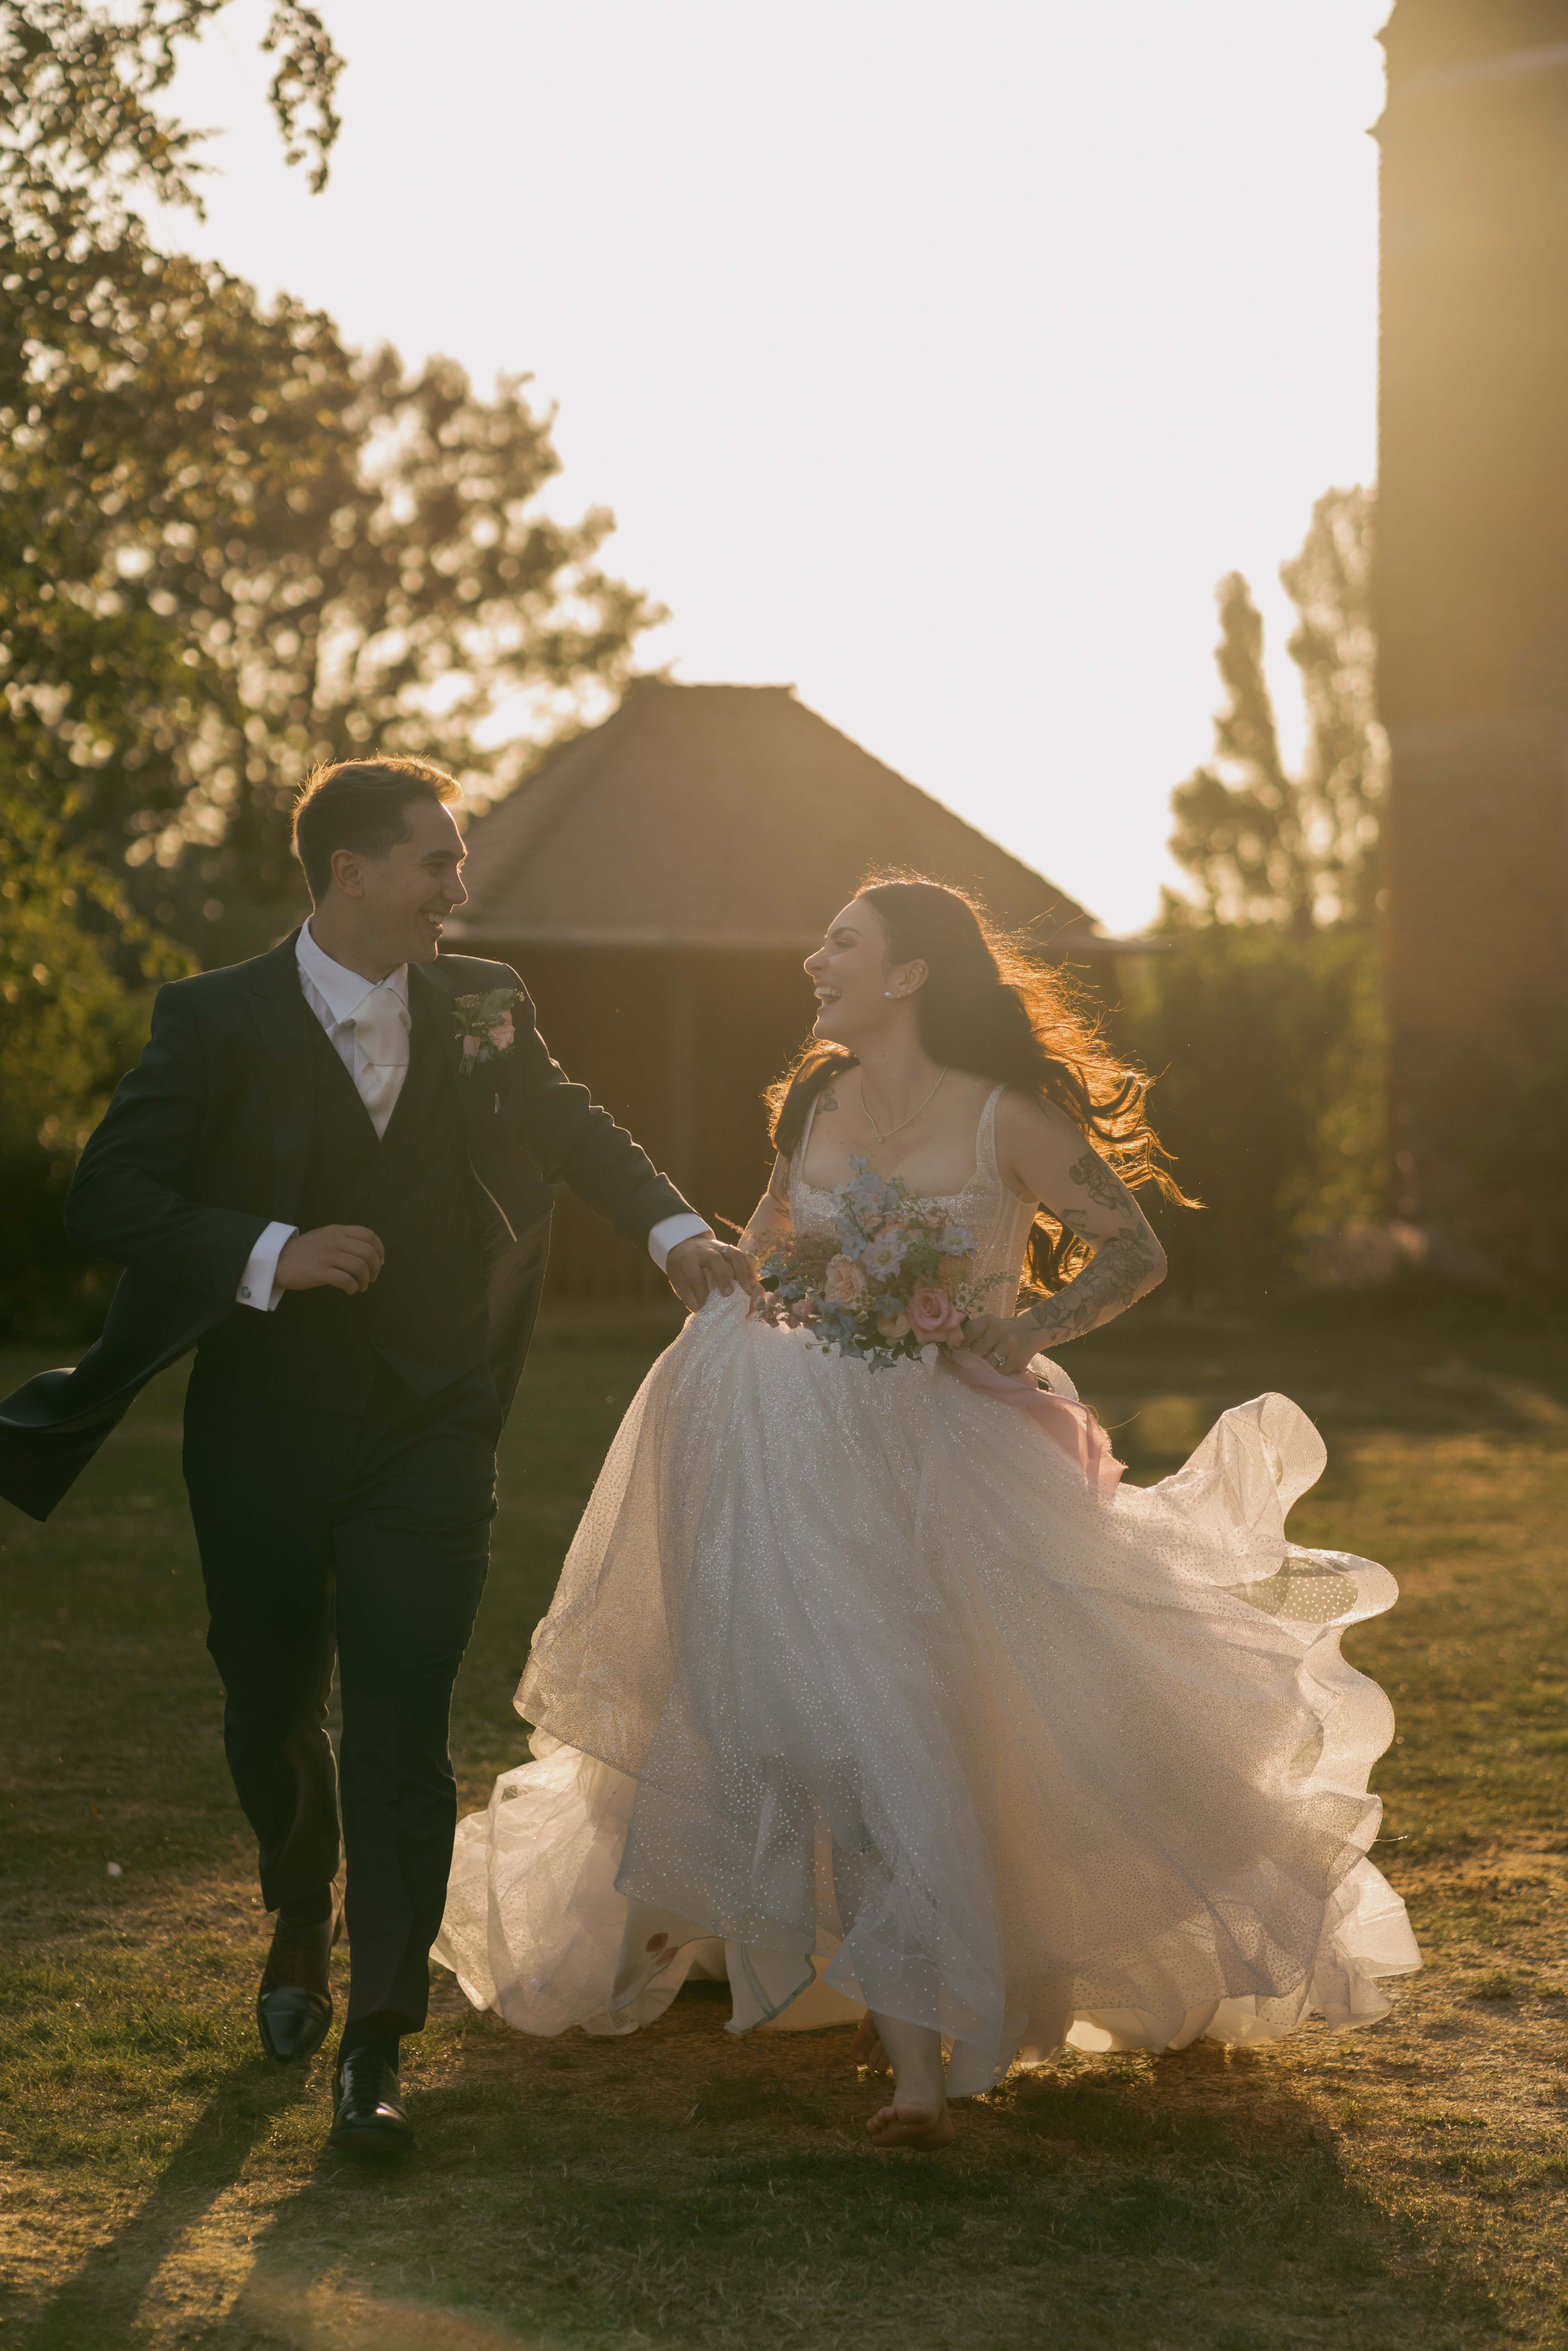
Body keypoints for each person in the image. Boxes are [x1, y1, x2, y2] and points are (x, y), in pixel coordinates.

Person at [436, 877, 1420, 2152]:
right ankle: (904, 2048)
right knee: (830, 1712)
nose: (811, 958)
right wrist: (748, 1280)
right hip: (802, 1445)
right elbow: (778, 1238)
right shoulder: (814, 1099)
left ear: (907, 975)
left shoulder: (1008, 1116)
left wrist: (1023, 1329)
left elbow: (1133, 1250)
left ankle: (925, 2012)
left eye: (839, 942)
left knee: (936, 1717)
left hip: (954, 1449)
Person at [0, 757, 748, 2160]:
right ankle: (299, 1904)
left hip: (432, 1418)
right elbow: (114, 1191)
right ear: (349, 868)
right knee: (269, 1705)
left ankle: (377, 2037)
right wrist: (272, 1252)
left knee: (401, 1725)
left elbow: (571, 1121)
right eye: (433, 863)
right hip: (263, 1428)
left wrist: (674, 1234)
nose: (455, 890)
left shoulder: (482, 1002)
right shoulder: (213, 1017)